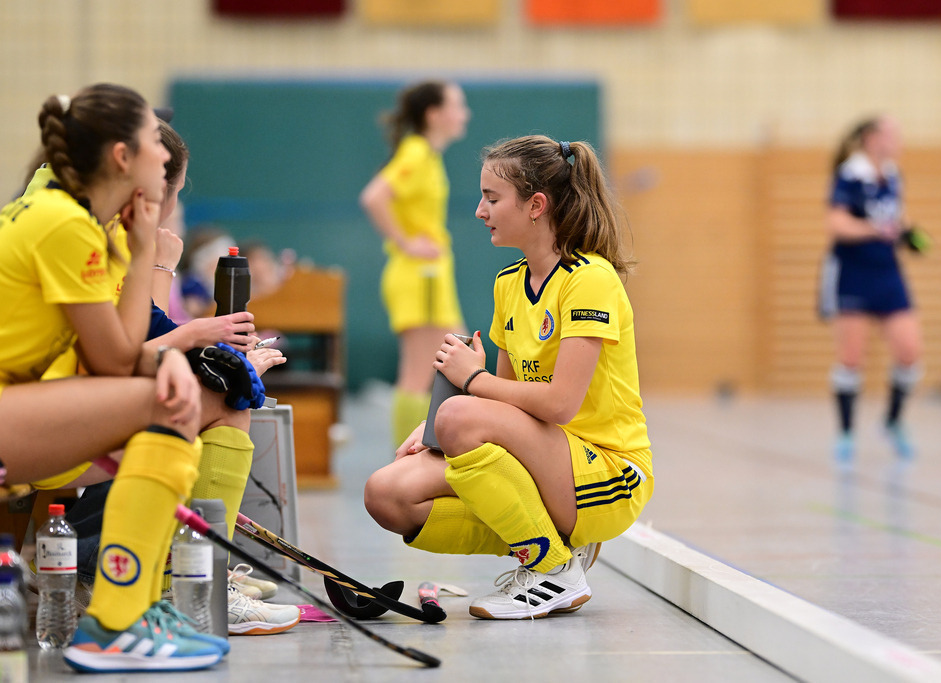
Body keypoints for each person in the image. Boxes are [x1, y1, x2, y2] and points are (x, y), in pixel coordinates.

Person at [364, 135, 654, 620]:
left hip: (608, 473)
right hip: (545, 460)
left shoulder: (590, 279)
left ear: (536, 205)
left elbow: (560, 404)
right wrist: (433, 429)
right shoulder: (508, 283)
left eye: (492, 198)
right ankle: (552, 546)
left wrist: (470, 380)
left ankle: (553, 568)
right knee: (387, 493)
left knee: (460, 413)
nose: (480, 210)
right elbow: (501, 407)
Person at [35, 118, 297, 637]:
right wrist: (195, 331)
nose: (163, 200)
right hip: (38, 425)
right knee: (223, 399)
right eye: (165, 184)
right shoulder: (77, 232)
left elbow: (135, 340)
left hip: (46, 404)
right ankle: (178, 582)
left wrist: (205, 343)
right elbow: (121, 357)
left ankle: (169, 579)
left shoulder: (65, 210)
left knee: (219, 384)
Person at [0, 83, 229, 671]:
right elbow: (118, 363)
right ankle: (119, 620)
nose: (166, 155)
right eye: (156, 142)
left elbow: (124, 353)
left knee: (167, 394)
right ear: (123, 158)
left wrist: (141, 245)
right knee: (167, 403)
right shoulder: (64, 225)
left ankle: (133, 610)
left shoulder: (78, 218)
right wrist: (147, 247)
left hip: (18, 406)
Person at [359, 80, 471, 448]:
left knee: (457, 360)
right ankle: (407, 456)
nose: (464, 114)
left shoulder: (428, 155)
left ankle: (434, 446)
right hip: (418, 274)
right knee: (420, 371)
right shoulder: (417, 152)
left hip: (432, 277)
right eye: (457, 105)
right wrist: (405, 241)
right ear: (434, 114)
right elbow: (375, 197)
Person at [820, 116, 923, 465]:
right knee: (851, 357)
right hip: (855, 273)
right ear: (872, 138)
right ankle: (846, 433)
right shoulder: (851, 174)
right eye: (892, 133)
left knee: (909, 350)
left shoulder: (893, 176)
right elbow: (835, 223)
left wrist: (910, 236)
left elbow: (895, 221)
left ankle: (893, 421)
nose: (898, 139)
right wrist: (874, 229)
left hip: (888, 273)